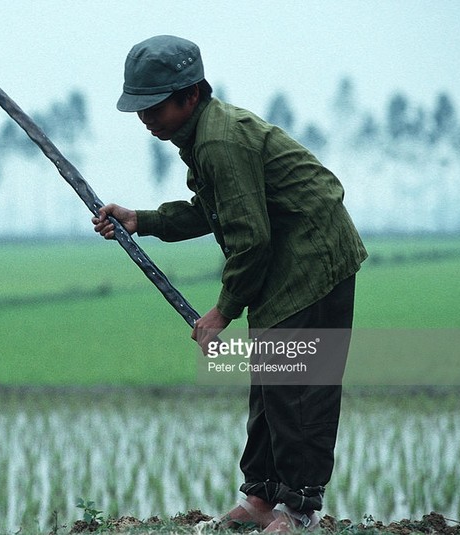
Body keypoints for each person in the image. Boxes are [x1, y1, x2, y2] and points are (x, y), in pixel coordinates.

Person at [93, 35, 368, 532]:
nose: (145, 118)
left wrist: (222, 311)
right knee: (268, 382)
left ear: (190, 95)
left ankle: (299, 508)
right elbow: (213, 212)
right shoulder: (200, 137)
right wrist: (143, 219)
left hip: (313, 255)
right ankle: (262, 497)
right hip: (284, 253)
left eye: (154, 106)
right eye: (140, 107)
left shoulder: (219, 140)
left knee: (298, 385)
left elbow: (251, 238)